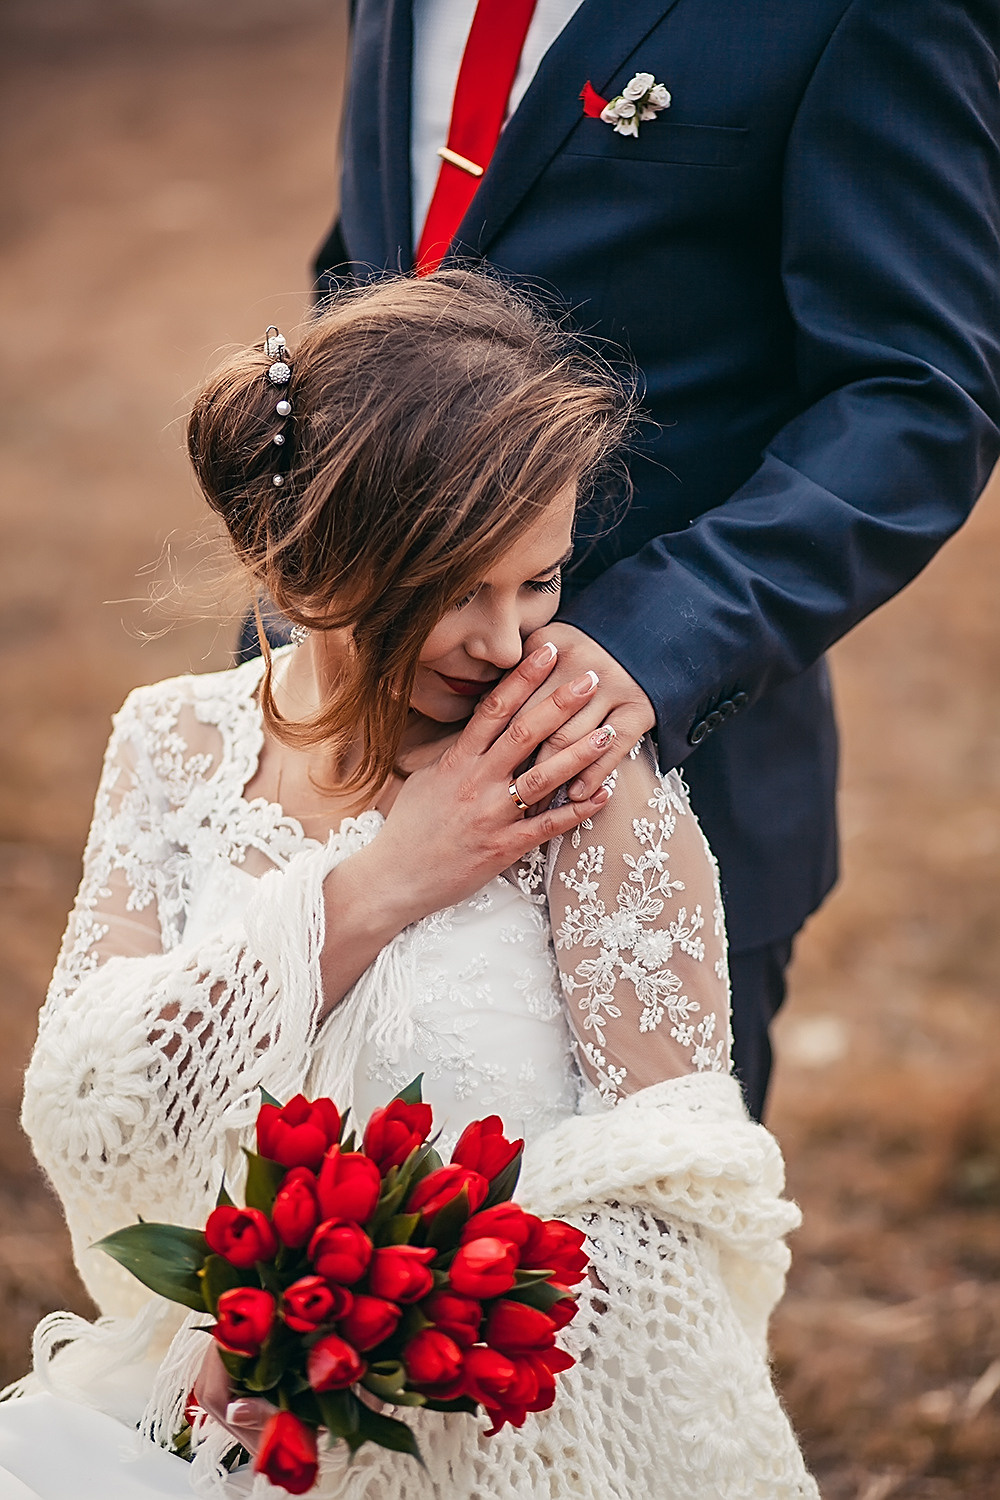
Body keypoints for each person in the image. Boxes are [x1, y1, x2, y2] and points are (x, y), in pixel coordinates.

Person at [0, 273, 817, 1497]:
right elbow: (85, 1105)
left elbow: (680, 1183)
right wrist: (382, 883)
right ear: (309, 556)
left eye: (538, 580)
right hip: (198, 1420)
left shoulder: (576, 779)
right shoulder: (173, 746)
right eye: (455, 589)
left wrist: (367, 1332)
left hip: (494, 1434)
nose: (507, 643)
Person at [301, 0, 1000, 1122]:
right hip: (331, 755)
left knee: (637, 1216)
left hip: (652, 785)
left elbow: (916, 397)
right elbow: (372, 269)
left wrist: (654, 639)